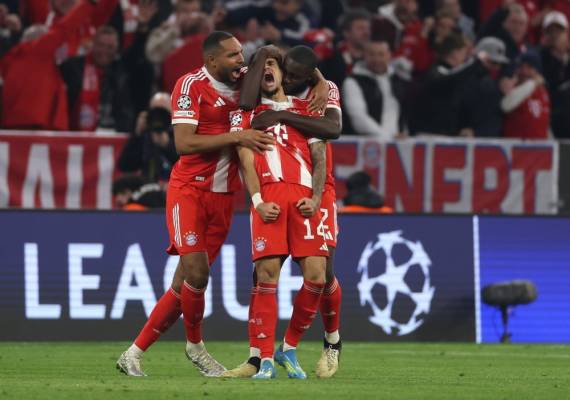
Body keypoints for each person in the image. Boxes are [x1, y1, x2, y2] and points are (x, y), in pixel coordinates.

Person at [115, 32, 280, 377]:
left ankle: (132, 354)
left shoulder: (244, 84)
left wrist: (320, 85)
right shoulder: (189, 86)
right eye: (232, 55)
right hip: (189, 191)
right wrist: (238, 136)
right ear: (211, 61)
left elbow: (280, 70)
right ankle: (196, 346)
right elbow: (184, 143)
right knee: (198, 273)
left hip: (223, 198)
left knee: (183, 285)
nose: (240, 61)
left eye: (241, 54)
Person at [224, 45, 343, 379]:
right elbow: (246, 160)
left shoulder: (312, 103)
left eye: (277, 66)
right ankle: (260, 359)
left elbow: (324, 145)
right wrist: (257, 200)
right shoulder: (246, 115)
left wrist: (316, 196)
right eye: (264, 66)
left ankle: (311, 345)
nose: (273, 72)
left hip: (310, 195)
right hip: (271, 196)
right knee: (264, 275)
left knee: (321, 274)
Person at [59, 25, 135, 132]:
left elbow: (125, 109)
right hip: (77, 133)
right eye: (101, 45)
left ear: (116, 49)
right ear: (93, 44)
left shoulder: (122, 72)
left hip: (113, 133)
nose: (104, 51)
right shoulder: (72, 67)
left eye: (110, 47)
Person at [343, 40, 407, 139]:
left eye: (381, 54)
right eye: (372, 54)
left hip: (397, 143)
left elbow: (404, 114)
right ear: (365, 56)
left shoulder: (398, 81)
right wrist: (388, 137)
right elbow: (358, 118)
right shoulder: (352, 82)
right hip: (364, 144)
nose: (377, 59)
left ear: (389, 56)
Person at [502, 49, 550, 139]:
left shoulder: (542, 91)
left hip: (539, 146)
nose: (524, 71)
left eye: (529, 67)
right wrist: (533, 83)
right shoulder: (511, 87)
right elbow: (506, 105)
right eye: (521, 67)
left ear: (537, 71)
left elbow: (544, 122)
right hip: (515, 146)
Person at [319, 9, 372, 87]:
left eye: (368, 28)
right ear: (346, 33)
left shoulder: (373, 58)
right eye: (360, 28)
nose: (366, 32)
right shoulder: (332, 59)